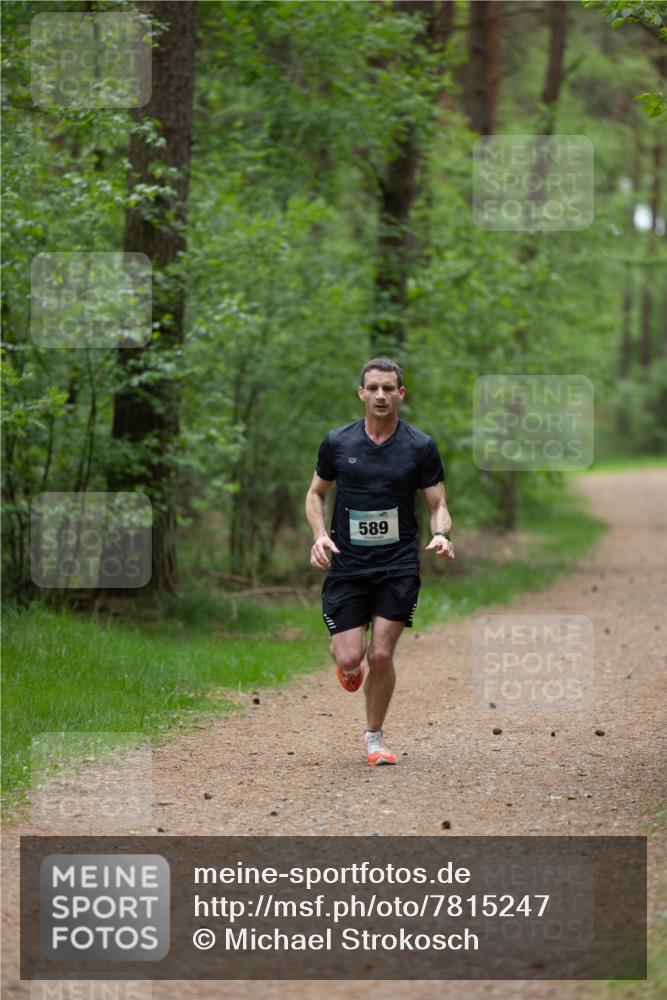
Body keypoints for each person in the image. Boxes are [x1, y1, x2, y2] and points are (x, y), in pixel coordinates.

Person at [305, 358, 454, 766]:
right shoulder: (338, 442)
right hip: (348, 565)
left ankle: (375, 738)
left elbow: (438, 504)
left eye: (389, 388)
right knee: (351, 657)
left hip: (398, 564)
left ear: (401, 394)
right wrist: (320, 535)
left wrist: (440, 534)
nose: (381, 396)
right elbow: (315, 493)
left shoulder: (419, 446)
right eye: (373, 388)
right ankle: (346, 663)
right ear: (361, 393)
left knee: (381, 655)